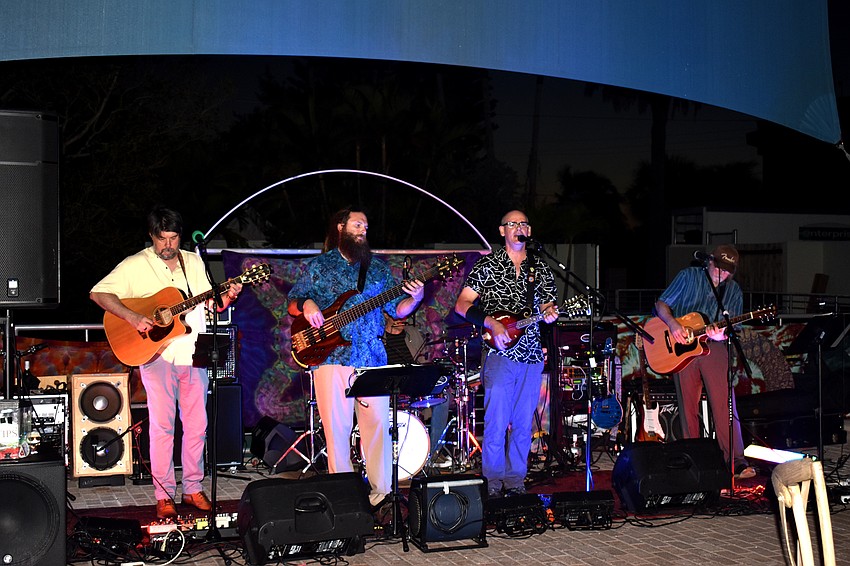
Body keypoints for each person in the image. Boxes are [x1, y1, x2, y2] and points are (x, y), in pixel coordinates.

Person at [90, 206, 241, 519]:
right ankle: (163, 494)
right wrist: (132, 316)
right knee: (162, 426)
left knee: (198, 424)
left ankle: (193, 487)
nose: (168, 245)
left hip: (194, 352)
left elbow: (211, 304)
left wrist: (228, 296)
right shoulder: (135, 265)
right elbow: (99, 293)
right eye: (162, 239)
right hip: (156, 354)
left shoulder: (194, 262)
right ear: (151, 236)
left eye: (173, 238)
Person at [287, 208, 424, 510]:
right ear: (340, 227)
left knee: (377, 428)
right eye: (357, 224)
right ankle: (344, 496)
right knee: (336, 431)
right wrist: (308, 304)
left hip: (371, 357)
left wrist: (414, 299)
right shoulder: (320, 266)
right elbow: (293, 301)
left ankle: (383, 494)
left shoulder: (377, 269)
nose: (363, 229)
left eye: (366, 225)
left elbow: (395, 310)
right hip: (331, 356)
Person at [454, 210, 558, 497]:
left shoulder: (541, 268)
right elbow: (462, 304)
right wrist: (490, 322)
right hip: (499, 354)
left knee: (524, 424)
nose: (518, 227)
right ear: (502, 231)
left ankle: (515, 481)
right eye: (512, 223)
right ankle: (493, 482)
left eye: (523, 223)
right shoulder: (487, 266)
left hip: (532, 355)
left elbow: (548, 306)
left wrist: (549, 314)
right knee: (497, 421)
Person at [653, 243, 755, 479]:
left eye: (728, 270)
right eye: (719, 267)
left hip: (714, 348)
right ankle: (693, 458)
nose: (722, 273)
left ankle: (735, 460)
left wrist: (723, 333)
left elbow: (732, 327)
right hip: (680, 350)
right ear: (709, 261)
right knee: (687, 405)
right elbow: (661, 304)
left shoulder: (733, 291)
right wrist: (673, 324)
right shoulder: (688, 277)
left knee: (724, 404)